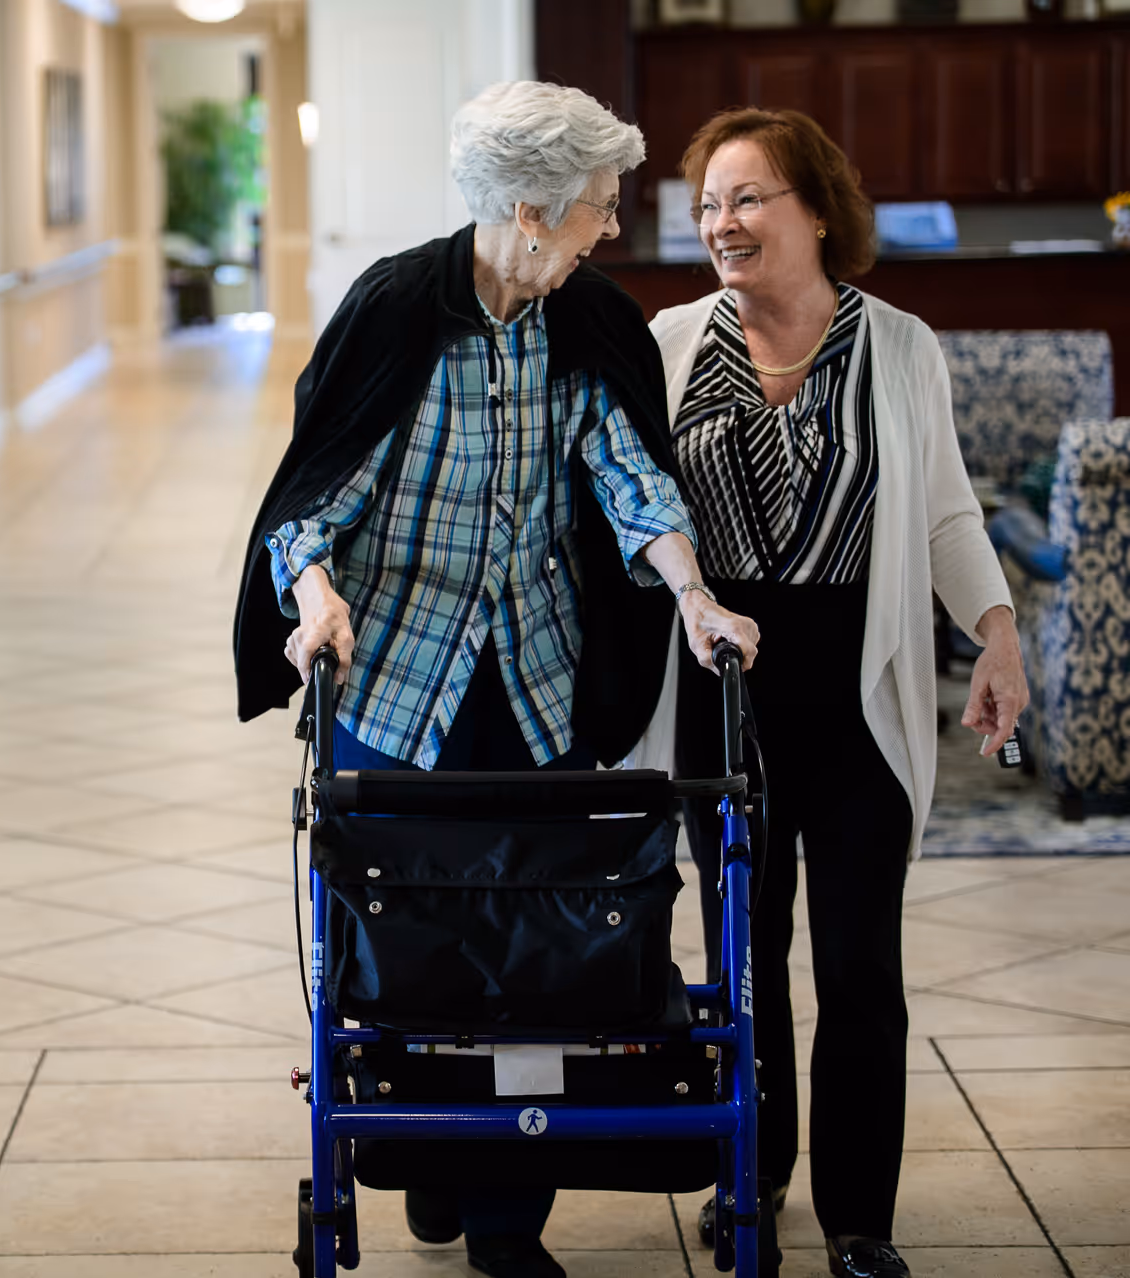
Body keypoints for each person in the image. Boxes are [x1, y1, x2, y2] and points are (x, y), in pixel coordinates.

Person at [232, 80, 761, 1278]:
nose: (612, 229)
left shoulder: (586, 324)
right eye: (597, 209)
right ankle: (426, 1152)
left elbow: (634, 479)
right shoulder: (393, 314)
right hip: (398, 681)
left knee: (532, 953)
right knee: (411, 937)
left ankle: (506, 1226)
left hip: (535, 681)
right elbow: (312, 500)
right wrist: (315, 601)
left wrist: (691, 593)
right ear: (530, 210)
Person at [643, 108, 1028, 1278]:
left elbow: (949, 514)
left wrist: (999, 635)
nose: (721, 221)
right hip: (724, 693)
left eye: (747, 197)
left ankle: (862, 1221)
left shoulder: (903, 347)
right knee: (742, 956)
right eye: (709, 201)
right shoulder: (667, 340)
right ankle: (748, 1180)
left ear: (817, 208)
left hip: (861, 691)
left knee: (862, 965)